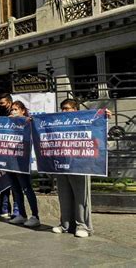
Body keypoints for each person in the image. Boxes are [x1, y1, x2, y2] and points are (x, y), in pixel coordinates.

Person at [52, 98, 111, 238]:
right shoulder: (59, 122)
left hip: (80, 164)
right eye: (63, 108)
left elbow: (97, 130)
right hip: (62, 164)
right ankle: (65, 224)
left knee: (81, 196)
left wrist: (105, 117)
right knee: (64, 196)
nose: (64, 111)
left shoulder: (84, 121)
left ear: (75, 110)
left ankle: (82, 225)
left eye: (67, 108)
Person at [7, 101, 40, 227]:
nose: (13, 112)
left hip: (22, 161)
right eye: (12, 110)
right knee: (15, 189)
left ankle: (35, 216)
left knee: (26, 188)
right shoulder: (8, 123)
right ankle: (22, 214)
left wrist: (25, 121)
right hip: (9, 160)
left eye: (15, 109)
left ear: (22, 111)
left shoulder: (28, 122)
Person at [0, 93, 19, 219]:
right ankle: (4, 209)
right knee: (3, 183)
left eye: (2, 103)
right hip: (2, 155)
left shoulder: (15, 115)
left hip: (14, 155)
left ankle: (17, 211)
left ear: (9, 102)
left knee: (15, 185)